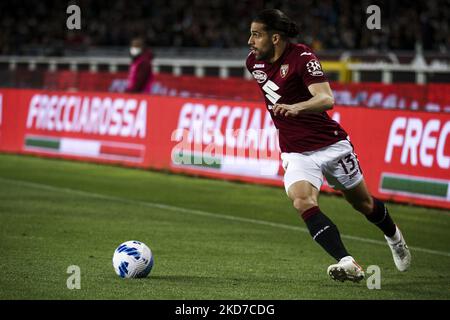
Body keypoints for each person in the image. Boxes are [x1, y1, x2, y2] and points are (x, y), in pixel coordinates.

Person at [246, 9, 411, 282]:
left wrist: (297, 108)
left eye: (256, 34)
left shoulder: (303, 57)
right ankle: (347, 262)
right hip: (296, 151)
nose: (250, 41)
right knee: (302, 200)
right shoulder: (255, 63)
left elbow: (326, 99)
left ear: (275, 38)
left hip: (330, 145)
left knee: (364, 204)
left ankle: (394, 238)